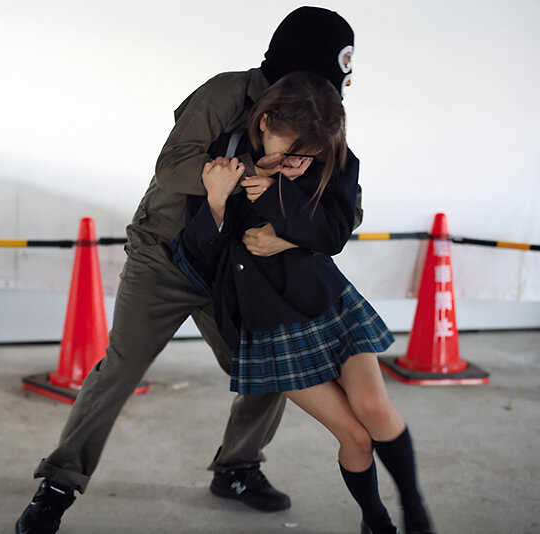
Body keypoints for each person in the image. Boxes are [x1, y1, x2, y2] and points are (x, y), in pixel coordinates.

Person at [15, 7, 360, 534]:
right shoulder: (226, 94)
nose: (322, 100)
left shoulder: (318, 120)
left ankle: (237, 467)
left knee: (271, 370)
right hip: (165, 254)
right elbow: (172, 167)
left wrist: (288, 226)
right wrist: (248, 174)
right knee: (121, 366)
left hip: (238, 267)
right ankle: (59, 482)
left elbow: (345, 208)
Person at [172, 70, 434, 534]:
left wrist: (284, 225)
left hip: (325, 301)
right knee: (354, 436)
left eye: (307, 157)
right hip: (269, 325)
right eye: (289, 153)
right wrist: (215, 202)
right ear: (265, 121)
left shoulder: (328, 156)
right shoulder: (225, 161)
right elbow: (198, 258)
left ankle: (415, 510)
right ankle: (376, 522)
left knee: (374, 408)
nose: (297, 164)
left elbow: (333, 233)